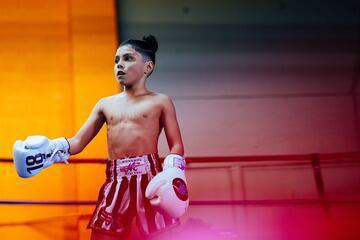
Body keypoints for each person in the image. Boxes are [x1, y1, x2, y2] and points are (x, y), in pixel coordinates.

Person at [13, 35, 188, 240]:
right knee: (102, 235)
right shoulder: (105, 104)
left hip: (150, 179)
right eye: (116, 60)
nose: (119, 65)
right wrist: (49, 150)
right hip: (115, 179)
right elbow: (78, 142)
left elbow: (176, 144)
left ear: (147, 67)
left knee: (163, 234)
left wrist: (173, 171)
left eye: (128, 58)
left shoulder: (161, 101)